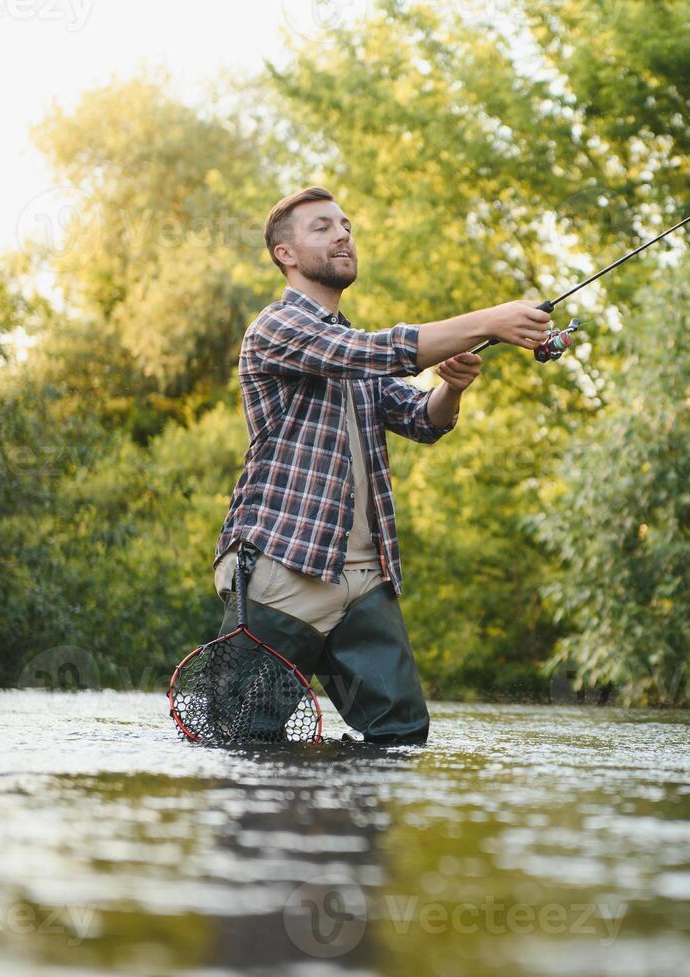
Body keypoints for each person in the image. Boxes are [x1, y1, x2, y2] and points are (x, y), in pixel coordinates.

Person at [212, 186, 552, 744]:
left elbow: (422, 418)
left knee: (401, 736)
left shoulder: (350, 340)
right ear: (286, 254)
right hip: (285, 566)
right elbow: (376, 352)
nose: (343, 233)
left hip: (366, 576)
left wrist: (450, 390)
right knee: (240, 739)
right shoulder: (275, 329)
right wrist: (490, 320)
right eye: (322, 227)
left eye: (346, 224)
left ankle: (348, 830)